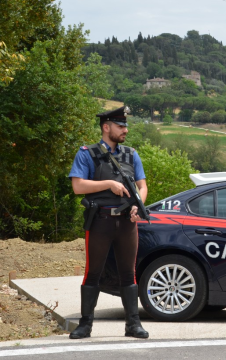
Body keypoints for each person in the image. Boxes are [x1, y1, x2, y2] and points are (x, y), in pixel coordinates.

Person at [67, 106, 149, 339]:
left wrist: (137, 205)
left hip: (126, 223)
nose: (125, 130)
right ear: (106, 127)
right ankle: (85, 325)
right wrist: (108, 184)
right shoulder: (86, 153)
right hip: (100, 221)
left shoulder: (132, 154)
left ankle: (133, 325)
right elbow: (78, 186)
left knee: (128, 273)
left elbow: (142, 187)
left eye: (125, 126)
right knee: (93, 273)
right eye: (120, 126)